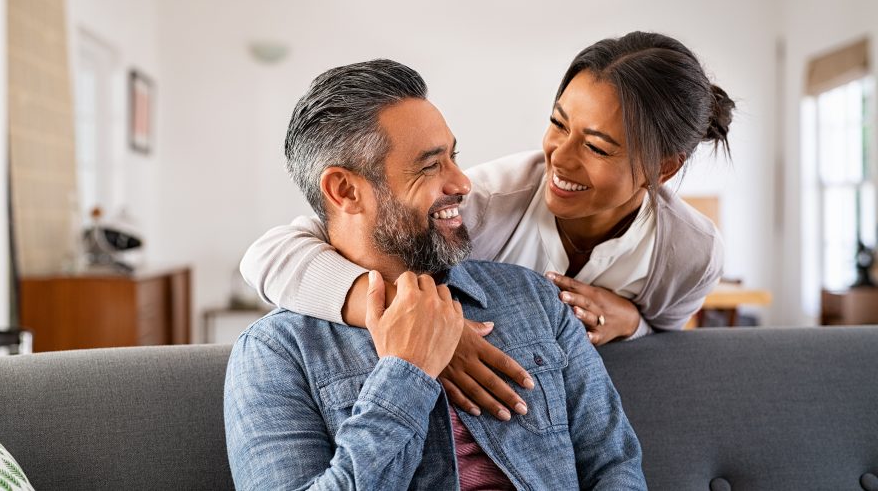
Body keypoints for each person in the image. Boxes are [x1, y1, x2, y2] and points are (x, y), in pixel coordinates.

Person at [241, 32, 734, 420]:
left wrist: (632, 322)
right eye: (558, 124)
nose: (559, 158)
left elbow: (664, 343)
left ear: (662, 168)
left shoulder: (690, 253)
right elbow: (270, 255)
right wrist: (422, 323)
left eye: (596, 147)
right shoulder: (486, 202)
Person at [224, 59, 646, 490]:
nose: (462, 183)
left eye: (453, 157)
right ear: (345, 190)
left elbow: (615, 465)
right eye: (429, 166)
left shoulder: (535, 297)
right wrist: (406, 372)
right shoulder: (276, 352)